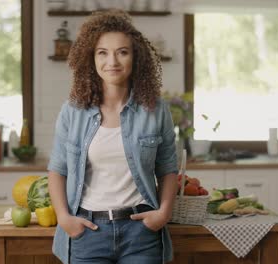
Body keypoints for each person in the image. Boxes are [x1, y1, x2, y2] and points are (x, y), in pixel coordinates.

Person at [47, 9, 178, 264]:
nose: (113, 61)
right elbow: (57, 169)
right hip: (88, 232)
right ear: (91, 58)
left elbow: (168, 167)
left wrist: (163, 213)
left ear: (135, 58)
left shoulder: (156, 110)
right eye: (102, 52)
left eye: (122, 52)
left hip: (141, 232)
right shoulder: (72, 111)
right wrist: (64, 219)